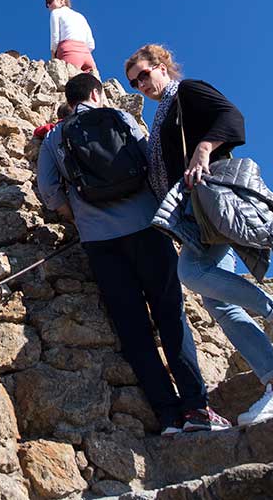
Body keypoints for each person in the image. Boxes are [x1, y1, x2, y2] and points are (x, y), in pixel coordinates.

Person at [125, 43, 273, 427]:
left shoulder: (188, 92)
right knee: (220, 305)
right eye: (134, 83)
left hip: (209, 205)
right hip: (191, 215)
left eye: (145, 74)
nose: (141, 85)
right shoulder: (161, 114)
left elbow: (231, 116)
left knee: (191, 275)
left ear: (162, 66)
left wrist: (203, 149)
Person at [37, 72, 230, 435]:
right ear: (96, 93)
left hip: (99, 242)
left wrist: (77, 217)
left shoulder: (55, 137)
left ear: (70, 99)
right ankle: (196, 409)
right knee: (172, 317)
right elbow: (151, 163)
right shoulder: (120, 117)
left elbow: (49, 191)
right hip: (147, 227)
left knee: (134, 329)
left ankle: (168, 417)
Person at [46, 0, 97, 73]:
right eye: (47, 4)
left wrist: (53, 56)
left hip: (69, 51)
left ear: (61, 0)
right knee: (93, 83)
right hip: (87, 55)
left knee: (69, 83)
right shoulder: (80, 16)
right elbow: (91, 44)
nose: (48, 5)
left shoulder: (56, 12)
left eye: (50, 1)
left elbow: (55, 36)